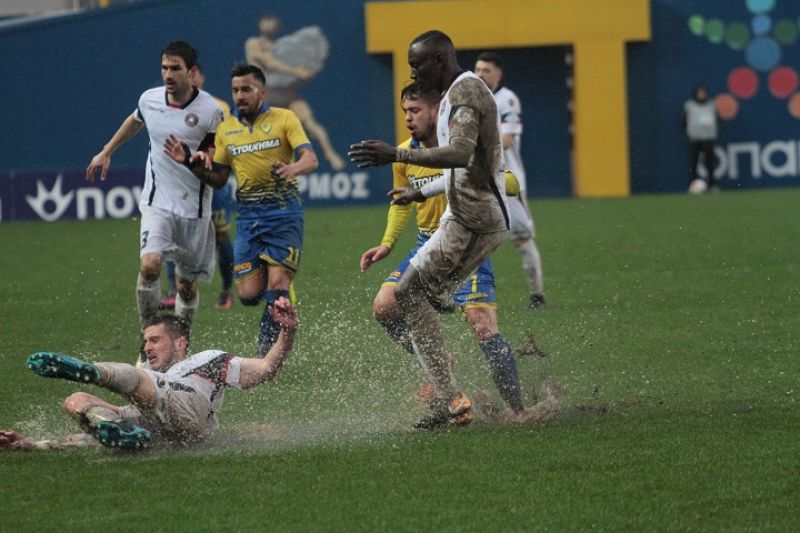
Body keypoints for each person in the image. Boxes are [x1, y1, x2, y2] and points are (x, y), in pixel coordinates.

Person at [349, 30, 509, 429]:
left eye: (417, 65)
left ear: (438, 61)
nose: (414, 73)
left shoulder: (463, 96)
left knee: (469, 318)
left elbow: (462, 155)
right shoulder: (446, 107)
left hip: (473, 223)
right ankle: (449, 392)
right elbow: (458, 170)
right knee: (397, 301)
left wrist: (398, 153)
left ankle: (508, 409)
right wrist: (417, 198)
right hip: (450, 226)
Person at [0, 297, 297, 451]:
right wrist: (32, 445)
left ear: (180, 343)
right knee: (76, 399)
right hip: (151, 423)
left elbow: (266, 368)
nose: (148, 347)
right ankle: (119, 433)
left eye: (155, 340)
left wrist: (287, 331)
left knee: (139, 377)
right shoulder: (147, 372)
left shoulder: (206, 361)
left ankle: (91, 371)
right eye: (145, 342)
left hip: (190, 410)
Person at [164, 63, 318, 356]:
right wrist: (189, 163)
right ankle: (278, 297)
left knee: (277, 284)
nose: (239, 95)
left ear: (262, 91)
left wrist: (293, 167)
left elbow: (310, 158)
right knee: (248, 295)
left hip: (284, 214)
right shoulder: (226, 129)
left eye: (246, 89)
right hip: (248, 219)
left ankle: (267, 351)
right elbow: (219, 177)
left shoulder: (285, 118)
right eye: (235, 90)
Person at [86, 41, 225, 334]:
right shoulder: (149, 99)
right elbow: (135, 121)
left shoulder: (211, 110)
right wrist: (106, 151)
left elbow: (218, 154)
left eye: (176, 68)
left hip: (194, 209)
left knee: (185, 286)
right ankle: (149, 337)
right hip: (156, 201)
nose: (168, 74)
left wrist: (205, 157)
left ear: (192, 72)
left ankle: (180, 342)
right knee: (149, 266)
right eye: (164, 67)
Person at [159, 64, 237, 311]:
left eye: (193, 74)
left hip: (211, 183)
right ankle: (173, 290)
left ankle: (226, 290)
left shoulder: (218, 108)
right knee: (173, 235)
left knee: (221, 234)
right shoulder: (167, 107)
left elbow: (226, 144)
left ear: (200, 77)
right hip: (180, 185)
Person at [474, 52, 546, 309]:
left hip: (508, 182)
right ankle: (471, 296)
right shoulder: (472, 98)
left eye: (487, 70)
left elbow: (506, 139)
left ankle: (537, 295)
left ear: (498, 74)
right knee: (471, 238)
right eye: (478, 69)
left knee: (521, 239)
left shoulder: (507, 100)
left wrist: (471, 147)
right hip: (480, 182)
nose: (481, 74)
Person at [246, 13, 345, 170]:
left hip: (287, 92)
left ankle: (330, 154)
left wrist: (305, 74)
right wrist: (296, 71)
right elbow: (269, 63)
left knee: (310, 123)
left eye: (272, 22)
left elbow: (296, 74)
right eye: (266, 21)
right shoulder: (253, 43)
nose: (268, 25)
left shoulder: (284, 47)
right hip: (267, 93)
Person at [683, 84, 718, 192]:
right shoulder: (689, 106)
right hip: (695, 139)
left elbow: (717, 120)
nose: (702, 95)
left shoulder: (711, 105)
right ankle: (693, 185)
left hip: (708, 139)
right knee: (693, 163)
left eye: (703, 92)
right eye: (699, 92)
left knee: (709, 163)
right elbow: (683, 121)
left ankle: (712, 185)